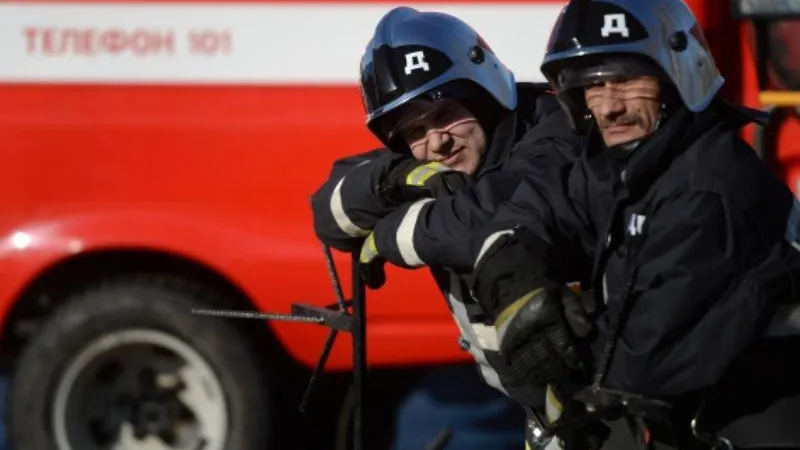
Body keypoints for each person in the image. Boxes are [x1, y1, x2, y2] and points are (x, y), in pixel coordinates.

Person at [440, 0, 800, 448]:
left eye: (626, 81)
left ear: (674, 79)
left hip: (753, 421)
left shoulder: (708, 187)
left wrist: (559, 326)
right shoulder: (627, 162)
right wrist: (514, 277)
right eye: (592, 87)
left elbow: (639, 364)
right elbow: (535, 209)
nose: (609, 107)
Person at [309, 6, 584, 449]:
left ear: (484, 94)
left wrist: (387, 233)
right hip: (550, 417)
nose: (436, 141)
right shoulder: (430, 167)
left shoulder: (557, 135)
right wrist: (396, 178)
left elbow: (491, 216)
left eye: (445, 114)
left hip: (610, 414)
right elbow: (327, 210)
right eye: (413, 130)